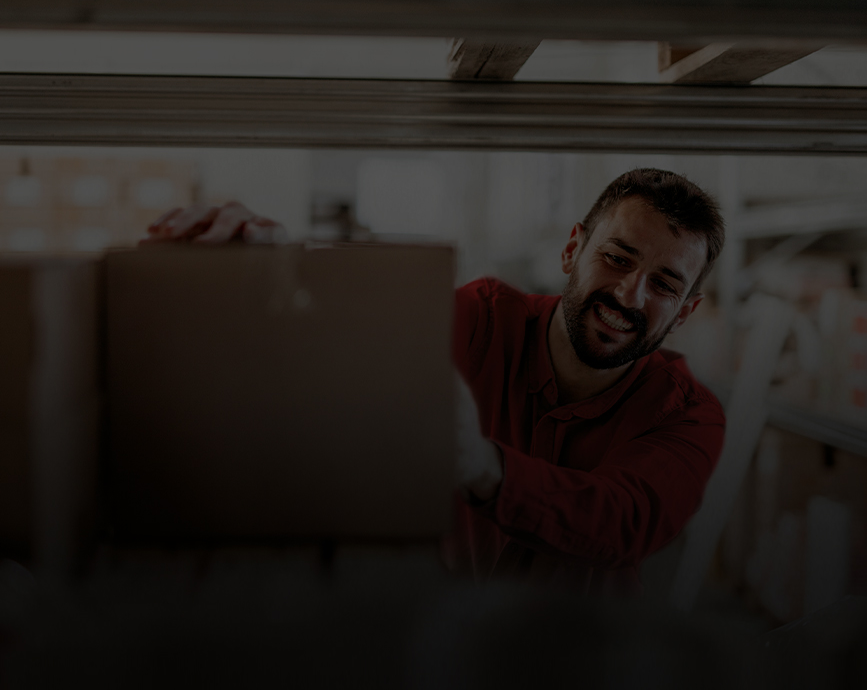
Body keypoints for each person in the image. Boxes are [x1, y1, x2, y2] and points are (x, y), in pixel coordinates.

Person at [145, 169, 726, 596]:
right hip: (433, 639)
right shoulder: (477, 322)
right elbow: (343, 334)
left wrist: (482, 468)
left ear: (686, 310)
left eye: (664, 285)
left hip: (573, 675)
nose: (631, 295)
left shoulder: (686, 415)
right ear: (574, 248)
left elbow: (624, 520)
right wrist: (268, 268)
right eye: (618, 258)